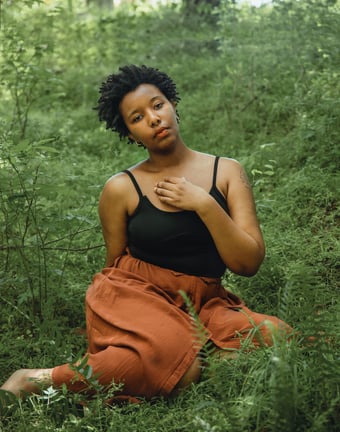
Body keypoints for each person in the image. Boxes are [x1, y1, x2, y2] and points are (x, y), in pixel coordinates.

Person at [1, 65, 291, 402]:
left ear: (173, 105)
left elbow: (248, 262)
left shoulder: (226, 172)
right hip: (136, 293)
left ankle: (170, 365)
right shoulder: (121, 188)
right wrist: (114, 324)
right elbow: (113, 264)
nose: (153, 119)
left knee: (275, 335)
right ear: (129, 135)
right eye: (137, 118)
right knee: (173, 356)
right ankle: (31, 380)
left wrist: (204, 204)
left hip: (204, 300)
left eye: (157, 105)